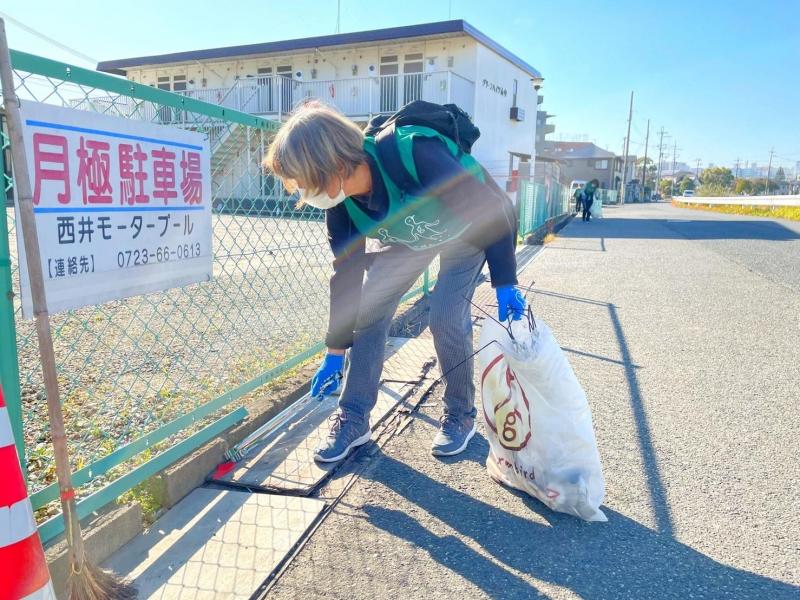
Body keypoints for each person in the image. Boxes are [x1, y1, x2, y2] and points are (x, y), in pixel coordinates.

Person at [264, 102, 526, 463]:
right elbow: (346, 277)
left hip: (470, 229)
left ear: (335, 164)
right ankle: (354, 419)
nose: (304, 194)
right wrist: (334, 353)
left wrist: (504, 282)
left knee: (446, 317)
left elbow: (490, 210)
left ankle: (460, 415)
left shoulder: (412, 152)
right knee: (368, 310)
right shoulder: (340, 205)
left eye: (306, 182)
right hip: (411, 236)